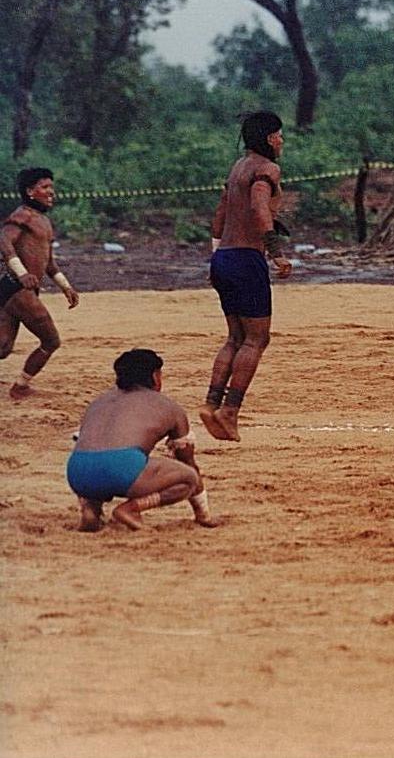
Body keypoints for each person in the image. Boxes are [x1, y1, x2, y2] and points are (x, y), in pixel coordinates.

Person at [200, 111, 293, 442]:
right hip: (246, 259)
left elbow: (221, 214)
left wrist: (216, 257)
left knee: (235, 337)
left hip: (224, 257)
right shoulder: (266, 169)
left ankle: (212, 404)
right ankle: (229, 412)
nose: (282, 141)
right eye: (280, 135)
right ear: (270, 138)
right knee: (257, 339)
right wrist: (276, 251)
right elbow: (258, 208)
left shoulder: (238, 167)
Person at [68, 348, 217, 531]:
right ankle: (130, 509)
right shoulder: (168, 406)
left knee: (99, 462)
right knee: (187, 477)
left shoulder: (99, 401)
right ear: (155, 377)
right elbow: (187, 461)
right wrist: (203, 513)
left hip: (77, 472)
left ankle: (91, 511)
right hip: (120, 468)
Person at [1, 167, 80, 400]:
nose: (51, 192)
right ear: (30, 191)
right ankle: (21, 387)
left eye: (51, 187)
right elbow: (3, 240)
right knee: (51, 340)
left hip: (17, 289)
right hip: (17, 288)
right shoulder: (23, 215)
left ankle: (21, 386)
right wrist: (21, 272)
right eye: (45, 187)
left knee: (3, 349)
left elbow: (48, 263)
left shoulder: (43, 221)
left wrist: (65, 286)